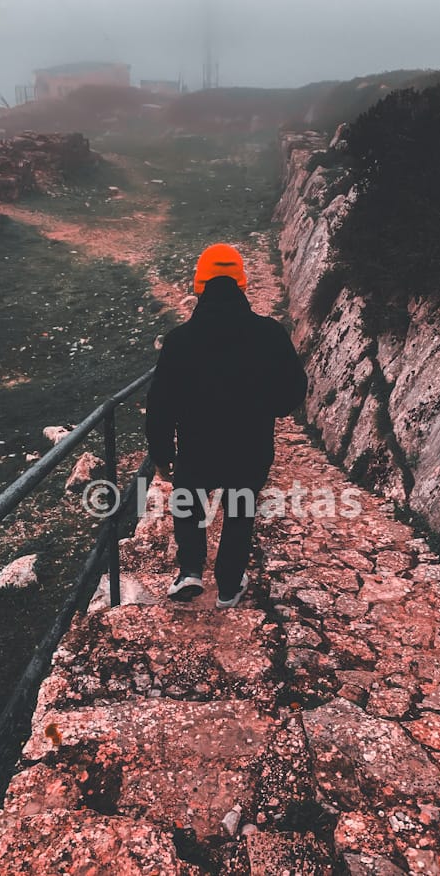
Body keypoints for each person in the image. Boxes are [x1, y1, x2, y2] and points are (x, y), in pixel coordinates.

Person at [145, 243, 307, 608]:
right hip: (250, 447)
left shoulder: (179, 341)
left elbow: (160, 403)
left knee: (187, 504)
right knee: (239, 513)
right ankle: (229, 587)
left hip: (196, 447)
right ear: (242, 284)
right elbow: (295, 388)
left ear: (199, 286)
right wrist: (270, 408)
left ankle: (190, 571)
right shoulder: (270, 333)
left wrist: (161, 453)